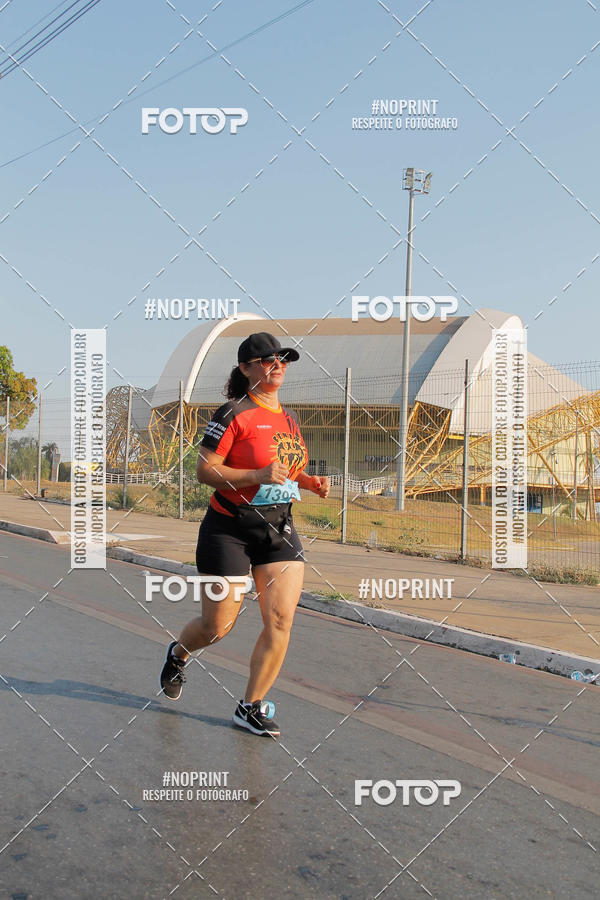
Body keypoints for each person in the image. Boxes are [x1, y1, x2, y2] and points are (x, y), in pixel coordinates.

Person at [159, 332, 330, 737]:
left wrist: (308, 481)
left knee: (281, 620)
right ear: (245, 368)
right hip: (229, 529)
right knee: (217, 626)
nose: (278, 365)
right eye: (268, 359)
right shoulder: (232, 413)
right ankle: (179, 653)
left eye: (283, 359)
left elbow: (285, 471)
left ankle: (250, 707)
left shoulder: (288, 418)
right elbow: (205, 471)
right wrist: (255, 475)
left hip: (277, 529)